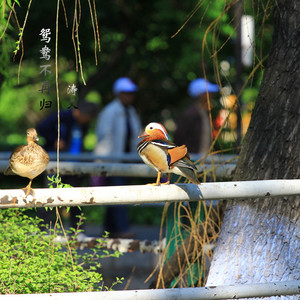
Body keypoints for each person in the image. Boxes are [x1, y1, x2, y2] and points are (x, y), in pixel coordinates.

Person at [36, 101, 99, 228]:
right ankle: (40, 229)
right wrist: (54, 140)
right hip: (56, 162)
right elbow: (40, 128)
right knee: (49, 196)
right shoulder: (62, 116)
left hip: (74, 165)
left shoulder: (83, 124)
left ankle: (77, 231)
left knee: (75, 198)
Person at [92, 77, 142, 238]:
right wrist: (100, 163)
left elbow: (137, 136)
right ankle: (122, 229)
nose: (129, 96)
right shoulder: (110, 112)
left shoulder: (131, 112)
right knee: (119, 195)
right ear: (118, 94)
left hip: (127, 161)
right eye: (126, 93)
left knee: (115, 196)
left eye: (131, 93)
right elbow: (104, 138)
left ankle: (108, 230)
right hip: (112, 162)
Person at [174, 78, 219, 154]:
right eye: (207, 93)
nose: (210, 95)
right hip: (193, 159)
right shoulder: (190, 114)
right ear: (200, 95)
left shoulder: (203, 112)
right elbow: (180, 138)